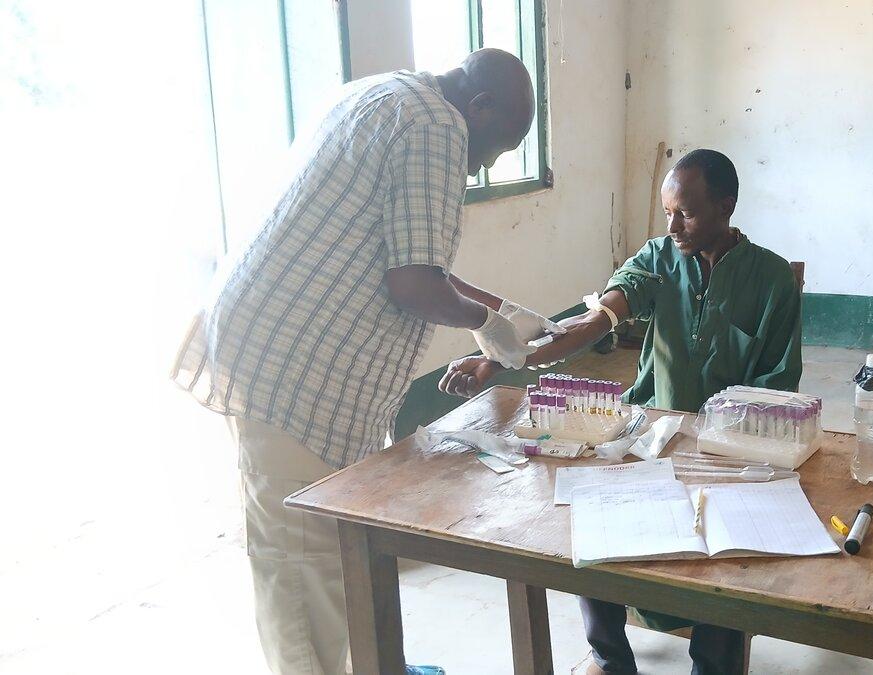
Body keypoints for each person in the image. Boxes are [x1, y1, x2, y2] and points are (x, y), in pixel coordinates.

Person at [172, 49, 561, 675]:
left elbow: (418, 258)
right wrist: (486, 326)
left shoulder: (389, 95)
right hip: (291, 373)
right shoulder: (438, 128)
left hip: (280, 349)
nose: (489, 164)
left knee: (336, 544)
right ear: (479, 107)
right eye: (498, 146)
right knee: (304, 560)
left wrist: (504, 307)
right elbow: (412, 283)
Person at [439, 148, 803, 675]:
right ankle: (609, 658)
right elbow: (593, 322)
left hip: (728, 443)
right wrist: (502, 359)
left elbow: (780, 384)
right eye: (668, 213)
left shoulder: (771, 280)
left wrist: (721, 435)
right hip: (650, 426)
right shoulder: (659, 259)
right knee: (595, 516)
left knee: (727, 550)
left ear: (727, 207)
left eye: (688, 213)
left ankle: (715, 664)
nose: (673, 226)